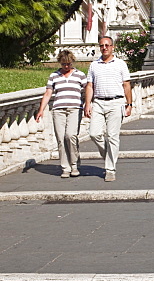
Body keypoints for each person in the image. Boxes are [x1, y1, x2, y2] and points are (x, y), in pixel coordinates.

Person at [84, 36, 132, 182]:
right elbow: (90, 86)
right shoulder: (94, 65)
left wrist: (129, 104)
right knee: (94, 133)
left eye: (107, 45)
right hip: (98, 102)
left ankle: (110, 169)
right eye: (102, 45)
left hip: (116, 102)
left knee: (112, 136)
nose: (104, 48)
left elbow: (126, 85)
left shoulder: (120, 64)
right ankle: (109, 156)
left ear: (112, 47)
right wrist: (87, 104)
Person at [35, 49, 86, 178]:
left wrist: (87, 105)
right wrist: (41, 110)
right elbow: (48, 93)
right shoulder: (54, 76)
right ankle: (65, 167)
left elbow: (87, 90)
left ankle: (75, 164)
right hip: (58, 109)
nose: (66, 66)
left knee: (71, 135)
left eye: (68, 64)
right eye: (64, 64)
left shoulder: (80, 75)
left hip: (75, 108)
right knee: (61, 138)